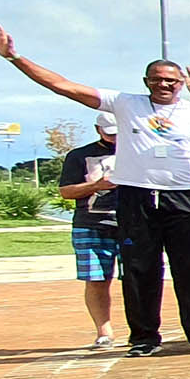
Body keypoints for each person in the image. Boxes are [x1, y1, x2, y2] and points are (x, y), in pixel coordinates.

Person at [0, 25, 190, 356]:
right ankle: (144, 338)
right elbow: (63, 86)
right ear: (146, 81)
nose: (164, 85)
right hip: (136, 198)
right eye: (157, 79)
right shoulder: (123, 103)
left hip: (181, 198)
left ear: (181, 84)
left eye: (171, 81)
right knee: (139, 271)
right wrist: (14, 56)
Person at [56, 112, 121, 348]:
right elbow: (66, 191)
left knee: (139, 278)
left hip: (133, 224)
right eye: (109, 133)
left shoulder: (137, 152)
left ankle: (143, 330)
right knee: (96, 279)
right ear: (98, 129)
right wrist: (96, 185)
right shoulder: (79, 156)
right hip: (91, 224)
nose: (114, 138)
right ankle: (104, 331)